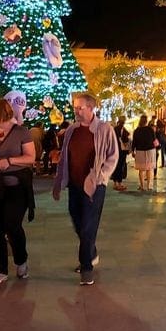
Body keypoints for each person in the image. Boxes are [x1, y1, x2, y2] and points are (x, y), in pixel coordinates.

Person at [52, 92, 118, 286]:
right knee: (77, 222)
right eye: (75, 107)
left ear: (91, 108)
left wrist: (101, 177)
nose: (77, 111)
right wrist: (59, 179)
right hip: (74, 184)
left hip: (94, 186)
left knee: (89, 225)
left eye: (80, 107)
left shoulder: (104, 129)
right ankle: (91, 252)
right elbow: (65, 156)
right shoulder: (72, 130)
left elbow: (112, 156)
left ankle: (86, 267)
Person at [0, 98, 36, 285]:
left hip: (16, 185)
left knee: (12, 224)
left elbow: (30, 157)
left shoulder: (21, 132)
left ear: (3, 112)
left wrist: (9, 161)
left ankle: (21, 258)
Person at [131, 114, 157, 191]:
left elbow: (134, 142)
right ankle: (149, 186)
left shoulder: (136, 130)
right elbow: (154, 140)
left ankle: (142, 186)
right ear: (146, 121)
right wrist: (157, 147)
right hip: (150, 151)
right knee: (149, 169)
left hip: (140, 151)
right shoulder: (150, 129)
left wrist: (133, 151)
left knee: (141, 170)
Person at [111, 117, 130, 191]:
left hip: (115, 150)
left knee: (116, 165)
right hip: (122, 150)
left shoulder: (114, 129)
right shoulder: (123, 129)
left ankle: (115, 182)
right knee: (121, 166)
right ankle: (119, 183)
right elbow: (126, 139)